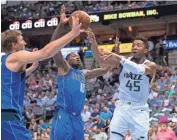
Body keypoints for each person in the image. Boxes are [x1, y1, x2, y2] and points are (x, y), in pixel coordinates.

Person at [1, 9, 83, 140]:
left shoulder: (4, 63)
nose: (25, 43)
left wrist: (32, 68)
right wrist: (72, 34)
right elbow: (46, 52)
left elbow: (11, 81)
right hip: (7, 118)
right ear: (14, 44)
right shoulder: (14, 56)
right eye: (22, 40)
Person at [49, 6, 112, 140]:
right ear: (67, 60)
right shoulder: (64, 68)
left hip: (77, 118)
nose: (77, 57)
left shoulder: (84, 73)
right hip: (64, 115)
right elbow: (53, 46)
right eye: (73, 56)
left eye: (77, 56)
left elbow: (105, 68)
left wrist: (94, 43)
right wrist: (61, 26)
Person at [85, 28, 157, 139]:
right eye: (133, 45)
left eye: (139, 45)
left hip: (139, 109)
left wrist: (119, 57)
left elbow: (138, 69)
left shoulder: (151, 65)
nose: (135, 47)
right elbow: (100, 58)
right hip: (122, 106)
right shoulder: (123, 62)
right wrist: (94, 42)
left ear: (146, 50)